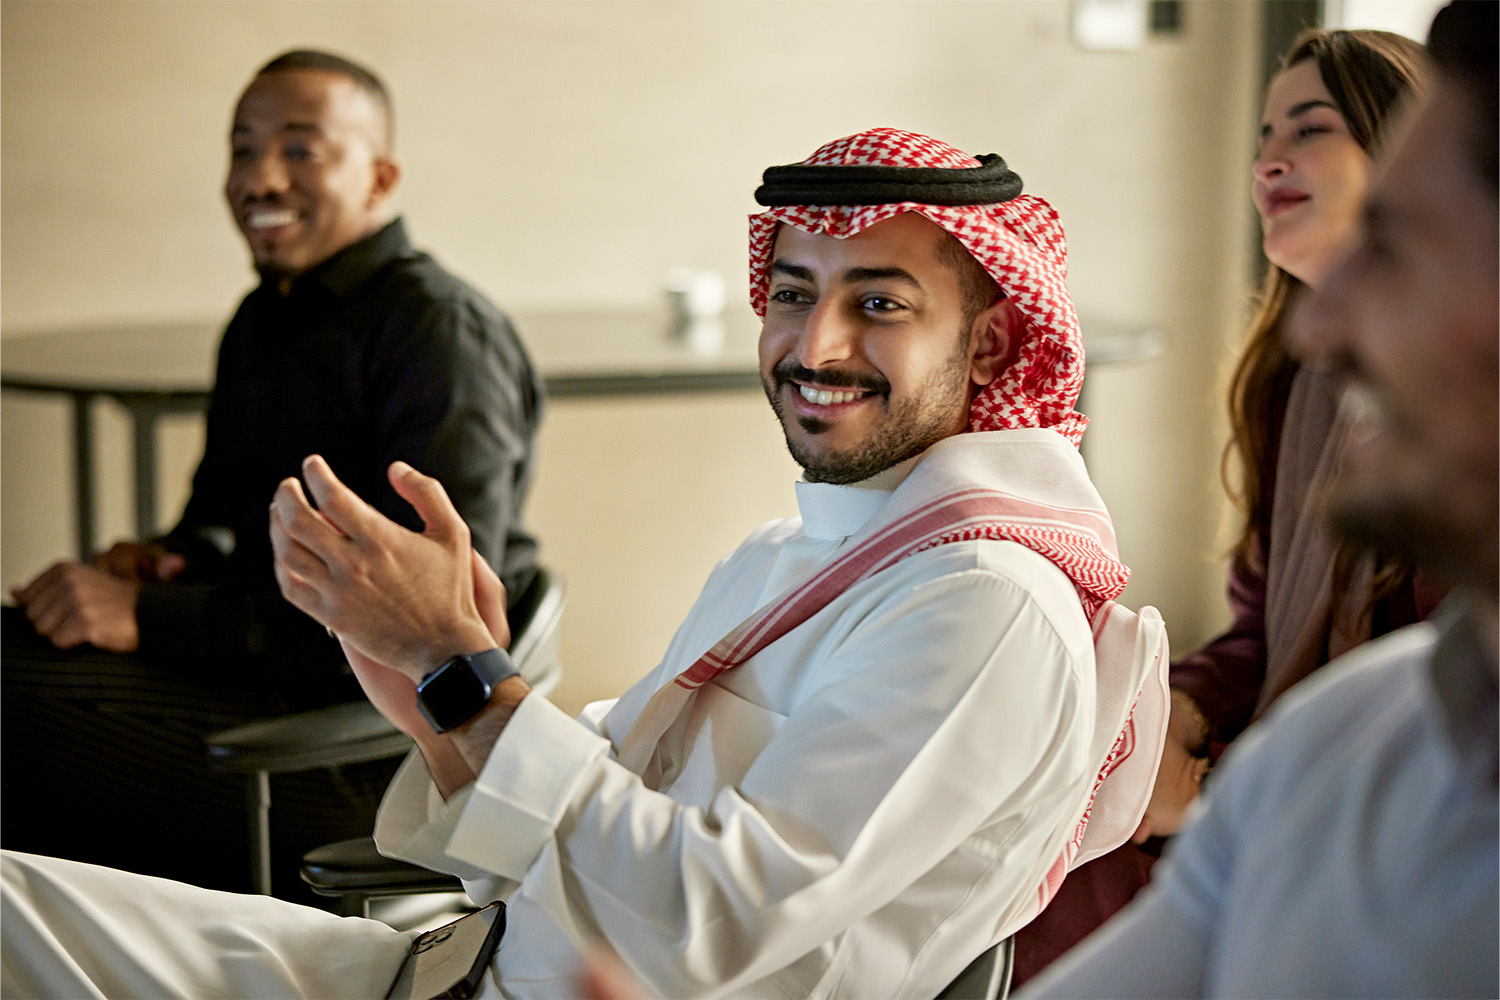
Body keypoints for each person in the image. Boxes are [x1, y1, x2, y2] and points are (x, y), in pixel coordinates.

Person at [1, 127, 1166, 1000]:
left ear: (995, 339)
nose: (817, 346)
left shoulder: (984, 610)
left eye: (879, 304)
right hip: (453, 963)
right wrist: (441, 711)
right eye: (797, 293)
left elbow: (703, 921)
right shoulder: (797, 553)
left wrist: (465, 668)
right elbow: (576, 833)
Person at [1020, 2, 1497, 995]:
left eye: (1400, 248)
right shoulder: (1358, 732)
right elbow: (1259, 622)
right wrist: (1169, 722)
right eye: (1263, 136)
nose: (1323, 325)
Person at [1, 50, 543, 899]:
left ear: (379, 177)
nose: (259, 177)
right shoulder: (262, 319)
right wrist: (163, 563)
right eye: (241, 149)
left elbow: (427, 626)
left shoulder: (436, 333)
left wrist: (148, 618)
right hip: (245, 685)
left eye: (299, 150)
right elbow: (220, 521)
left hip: (366, 747)